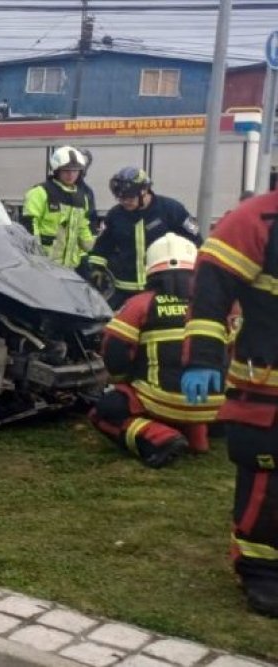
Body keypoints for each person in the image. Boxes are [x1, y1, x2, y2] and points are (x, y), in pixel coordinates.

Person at [182, 189, 278, 619]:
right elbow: (212, 284)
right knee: (266, 481)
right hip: (267, 387)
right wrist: (203, 357)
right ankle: (261, 570)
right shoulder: (262, 218)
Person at [89, 234, 219, 469]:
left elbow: (114, 351)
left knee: (106, 410)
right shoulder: (213, 305)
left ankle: (161, 438)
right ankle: (198, 437)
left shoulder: (141, 304)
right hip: (213, 405)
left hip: (162, 401)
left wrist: (122, 383)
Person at [85, 167, 200, 308]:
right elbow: (101, 247)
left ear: (144, 191)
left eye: (130, 197)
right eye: (121, 198)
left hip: (163, 288)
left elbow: (195, 242)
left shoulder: (171, 210)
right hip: (125, 290)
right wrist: (97, 270)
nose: (125, 202)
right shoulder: (115, 215)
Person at [21, 145, 96, 269]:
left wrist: (95, 250)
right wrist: (35, 255)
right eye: (66, 170)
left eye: (75, 170)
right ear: (57, 170)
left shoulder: (83, 197)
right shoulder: (40, 192)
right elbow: (29, 225)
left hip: (70, 267)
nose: (71, 175)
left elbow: (83, 228)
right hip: (44, 264)